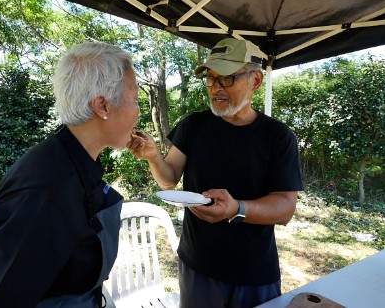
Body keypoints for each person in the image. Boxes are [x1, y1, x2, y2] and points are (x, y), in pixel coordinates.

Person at [0, 42, 140, 307]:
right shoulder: (42, 191)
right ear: (102, 106)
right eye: (134, 99)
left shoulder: (75, 161)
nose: (138, 111)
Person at [128, 38, 303, 308]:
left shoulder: (277, 137)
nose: (216, 89)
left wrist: (236, 209)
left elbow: (285, 208)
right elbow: (169, 177)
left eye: (227, 79)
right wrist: (153, 157)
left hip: (253, 270)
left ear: (255, 81)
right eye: (211, 79)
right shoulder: (193, 126)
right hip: (197, 264)